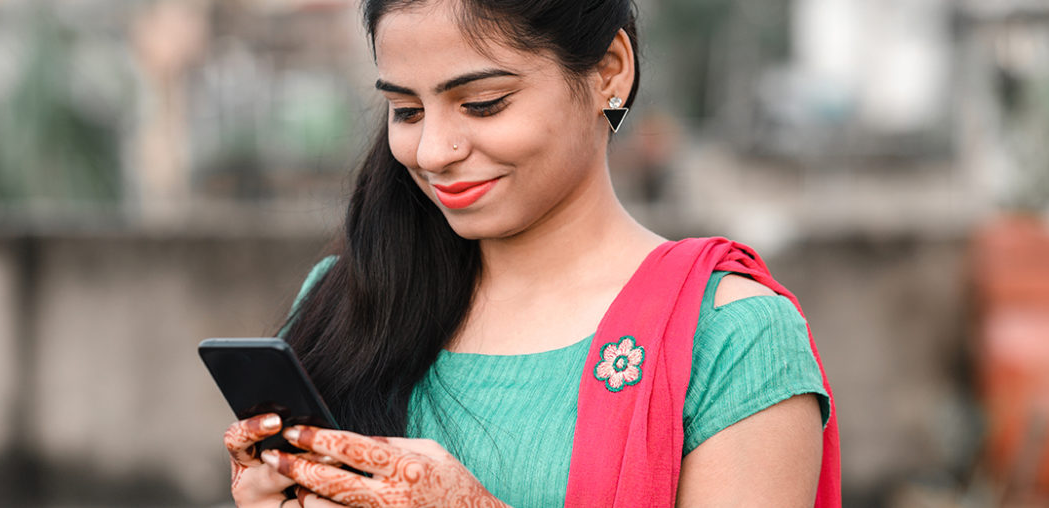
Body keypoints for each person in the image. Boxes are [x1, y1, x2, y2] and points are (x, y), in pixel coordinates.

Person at [221, 0, 840, 506]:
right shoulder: (347, 298)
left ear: (609, 72)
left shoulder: (732, 338)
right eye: (406, 110)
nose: (434, 151)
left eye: (483, 103)